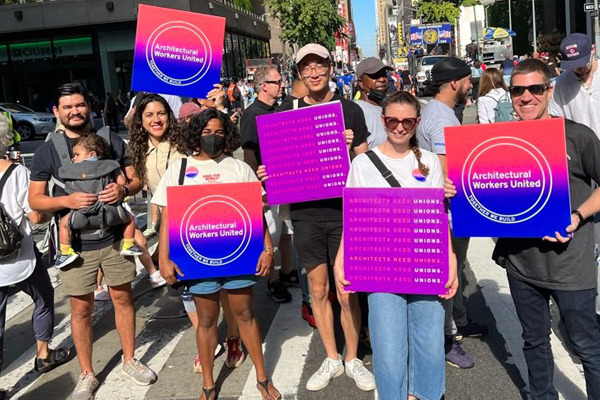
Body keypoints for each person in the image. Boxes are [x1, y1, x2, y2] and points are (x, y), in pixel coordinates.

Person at [28, 83, 156, 400]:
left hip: (114, 239)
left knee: (123, 300)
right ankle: (87, 374)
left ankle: (130, 359)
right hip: (76, 248)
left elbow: (136, 179)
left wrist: (123, 191)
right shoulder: (47, 151)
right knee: (81, 310)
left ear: (89, 106)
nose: (75, 111)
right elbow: (35, 200)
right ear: (56, 111)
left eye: (80, 104)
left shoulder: (111, 140)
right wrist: (67, 201)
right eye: (68, 106)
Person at [260, 43, 375, 392]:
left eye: (319, 66)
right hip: (306, 214)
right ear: (298, 74)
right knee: (319, 288)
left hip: (344, 213)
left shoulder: (349, 110)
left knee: (346, 289)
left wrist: (349, 147)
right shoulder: (285, 110)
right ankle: (331, 356)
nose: (313, 73)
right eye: (306, 68)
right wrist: (267, 173)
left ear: (329, 68)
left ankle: (353, 357)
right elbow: (274, 162)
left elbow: (365, 164)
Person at [487, 58, 600, 400]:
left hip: (571, 266)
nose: (526, 97)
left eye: (535, 88)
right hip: (522, 265)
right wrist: (456, 188)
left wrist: (578, 217)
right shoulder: (498, 141)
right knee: (534, 340)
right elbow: (485, 189)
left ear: (548, 90)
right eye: (517, 90)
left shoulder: (577, 136)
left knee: (587, 345)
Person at [334, 90, 458, 400]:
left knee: (428, 342)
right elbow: (353, 216)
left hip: (425, 261)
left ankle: (423, 394)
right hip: (380, 264)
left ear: (417, 122)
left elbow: (439, 217)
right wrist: (341, 260)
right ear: (383, 120)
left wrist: (451, 260)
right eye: (393, 121)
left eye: (408, 121)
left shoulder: (429, 162)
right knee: (388, 346)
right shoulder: (363, 163)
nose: (400, 127)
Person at [154, 109, 281, 400]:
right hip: (196, 259)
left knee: (246, 314)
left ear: (229, 135)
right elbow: (167, 215)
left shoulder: (239, 168)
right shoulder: (180, 168)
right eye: (207, 131)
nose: (213, 137)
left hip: (239, 255)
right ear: (196, 133)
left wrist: (267, 248)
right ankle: (209, 385)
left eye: (220, 132)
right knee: (207, 320)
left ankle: (262, 378)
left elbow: (255, 213)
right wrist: (164, 258)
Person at [416, 57, 488, 370]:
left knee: (453, 269)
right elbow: (447, 167)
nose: (471, 83)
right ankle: (447, 338)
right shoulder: (442, 117)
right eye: (468, 79)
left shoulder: (432, 110)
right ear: (455, 83)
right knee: (448, 270)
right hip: (447, 207)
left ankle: (459, 319)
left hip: (441, 203)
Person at [0, 115, 70, 400]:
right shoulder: (16, 173)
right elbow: (35, 215)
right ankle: (43, 353)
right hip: (21, 258)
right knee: (43, 299)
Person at [549, 34, 600, 317]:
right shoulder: (563, 85)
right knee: (590, 242)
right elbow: (556, 125)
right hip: (582, 170)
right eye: (572, 65)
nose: (579, 69)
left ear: (593, 50)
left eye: (583, 62)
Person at [240, 66, 294, 304]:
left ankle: (287, 271)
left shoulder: (278, 109)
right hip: (268, 184)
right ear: (263, 86)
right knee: (270, 233)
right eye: (277, 81)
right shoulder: (252, 114)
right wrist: (257, 187)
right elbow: (249, 152)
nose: (281, 84)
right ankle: (273, 281)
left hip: (286, 180)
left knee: (286, 229)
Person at [55, 134, 142, 268]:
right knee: (129, 219)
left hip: (81, 212)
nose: (74, 158)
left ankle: (66, 251)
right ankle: (129, 244)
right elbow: (122, 182)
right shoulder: (110, 165)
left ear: (92, 154)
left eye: (77, 154)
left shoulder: (72, 170)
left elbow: (68, 188)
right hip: (109, 210)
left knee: (64, 224)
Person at [355, 57, 392, 149]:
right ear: (361, 83)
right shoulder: (357, 112)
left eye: (384, 74)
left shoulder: (387, 107)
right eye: (375, 76)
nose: (382, 79)